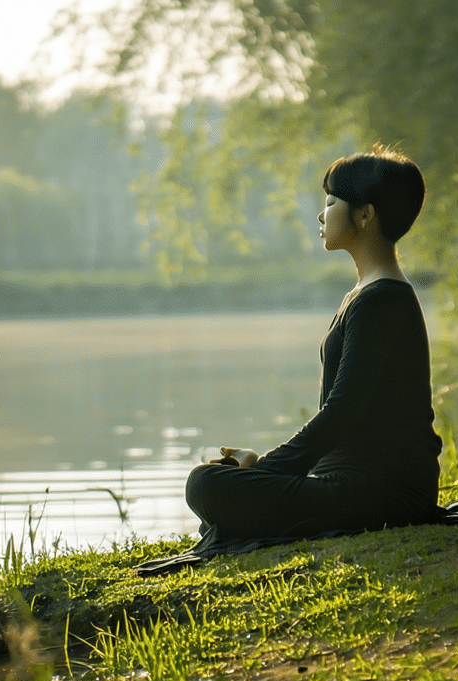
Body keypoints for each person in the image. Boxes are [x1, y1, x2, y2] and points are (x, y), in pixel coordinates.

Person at [183, 145, 442, 542]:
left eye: (331, 202)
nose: (322, 215)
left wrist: (264, 469)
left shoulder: (382, 299)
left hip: (384, 494)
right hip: (350, 484)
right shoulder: (367, 293)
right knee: (212, 484)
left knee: (204, 484)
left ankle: (251, 485)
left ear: (366, 215)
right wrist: (268, 469)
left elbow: (341, 412)